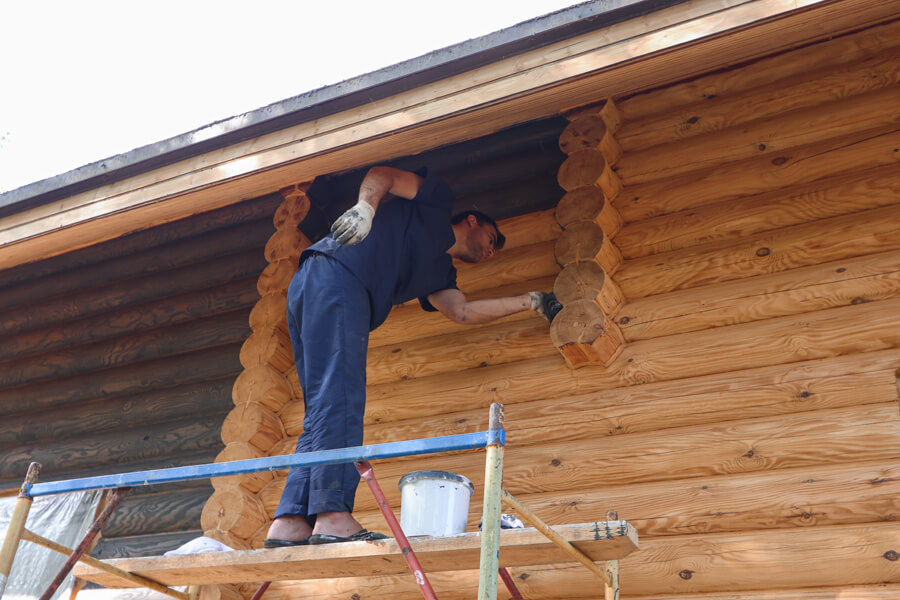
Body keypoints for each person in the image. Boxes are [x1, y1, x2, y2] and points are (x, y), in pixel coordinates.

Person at [264, 166, 558, 547]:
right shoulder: (436, 203)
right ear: (472, 220)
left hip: (314, 281)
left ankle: (289, 521)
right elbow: (382, 174)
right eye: (492, 238)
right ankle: (333, 516)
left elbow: (463, 312)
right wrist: (365, 209)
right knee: (342, 400)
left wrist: (530, 301)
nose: (491, 249)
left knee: (321, 409)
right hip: (339, 275)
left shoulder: (439, 274)